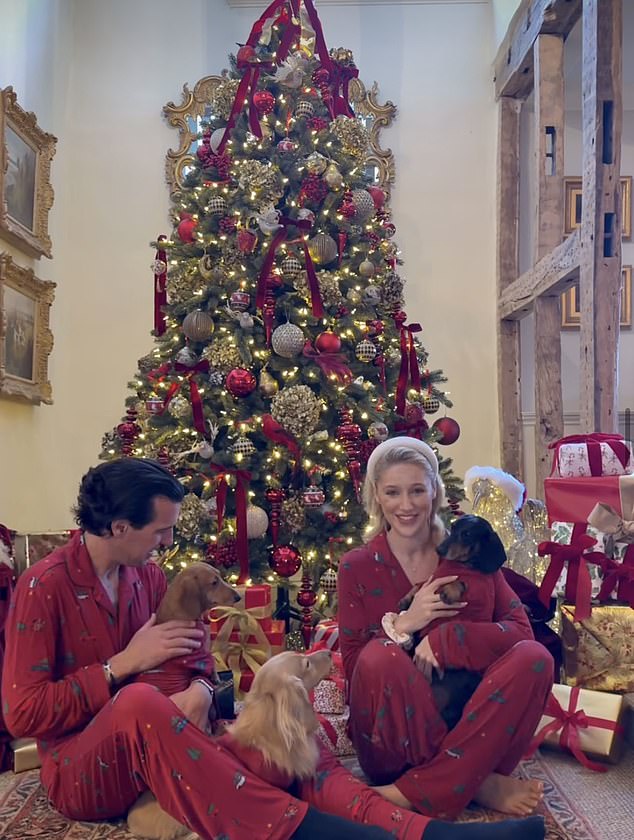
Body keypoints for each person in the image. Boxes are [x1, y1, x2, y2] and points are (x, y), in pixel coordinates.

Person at [1, 457, 544, 840]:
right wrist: (121, 668)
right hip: (84, 770)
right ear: (119, 527)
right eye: (160, 531)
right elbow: (23, 714)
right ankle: (320, 833)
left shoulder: (141, 575)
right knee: (140, 704)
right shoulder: (43, 587)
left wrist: (195, 688)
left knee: (289, 730)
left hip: (165, 741)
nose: (167, 543)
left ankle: (419, 832)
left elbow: (194, 660)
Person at [338, 437, 554, 823]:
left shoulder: (469, 548)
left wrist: (450, 639)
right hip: (395, 739)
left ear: (435, 490)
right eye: (393, 492)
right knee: (378, 655)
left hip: (474, 724)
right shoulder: (357, 566)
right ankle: (477, 782)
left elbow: (521, 631)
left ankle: (431, 786)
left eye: (417, 490)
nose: (406, 505)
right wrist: (405, 625)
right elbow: (356, 669)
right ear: (376, 495)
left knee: (534, 658)